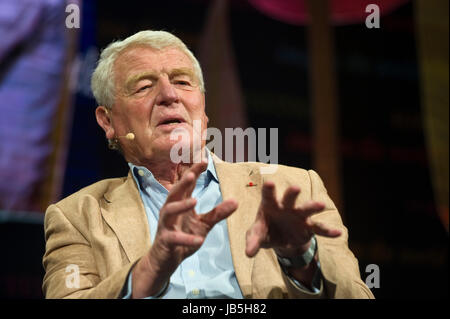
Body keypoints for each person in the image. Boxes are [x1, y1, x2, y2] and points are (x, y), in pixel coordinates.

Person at [42, 30, 374, 299]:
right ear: (108, 121)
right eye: (144, 86)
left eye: (183, 82)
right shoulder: (77, 215)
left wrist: (300, 257)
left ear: (203, 112)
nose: (169, 94)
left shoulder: (292, 187)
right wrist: (151, 267)